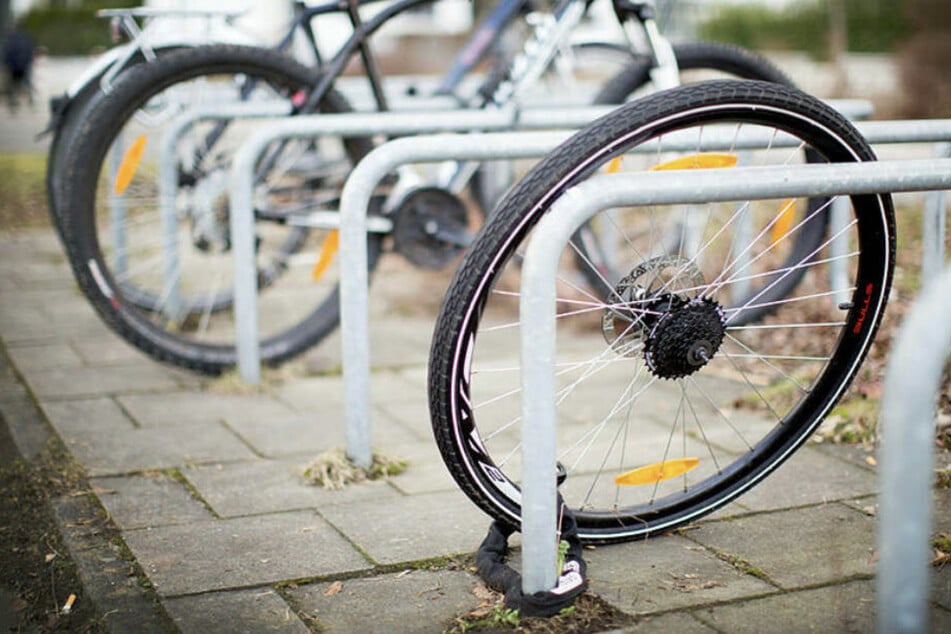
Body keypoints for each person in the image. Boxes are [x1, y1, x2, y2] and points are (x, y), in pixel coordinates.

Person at [3, 21, 35, 112]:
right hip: (23, 65)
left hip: (14, 66)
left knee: (13, 85)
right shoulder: (25, 37)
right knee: (26, 84)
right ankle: (30, 102)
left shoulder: (10, 39)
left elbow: (6, 52)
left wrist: (5, 63)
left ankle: (13, 103)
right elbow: (30, 50)